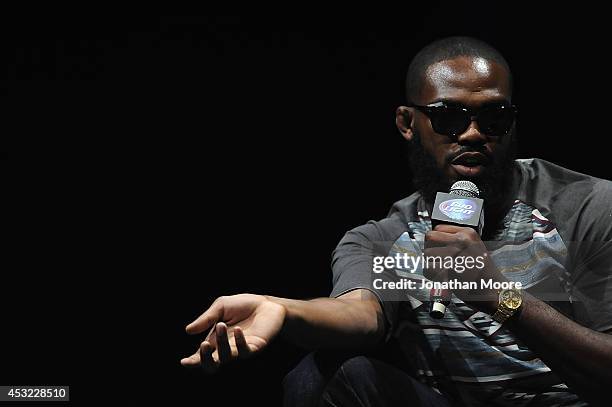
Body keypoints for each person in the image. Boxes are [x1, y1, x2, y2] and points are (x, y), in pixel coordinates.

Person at [180, 37, 612, 406]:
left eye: (494, 117)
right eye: (449, 117)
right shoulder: (384, 239)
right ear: (408, 122)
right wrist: (283, 310)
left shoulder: (585, 207)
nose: (473, 133)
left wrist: (496, 294)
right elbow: (360, 312)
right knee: (322, 373)